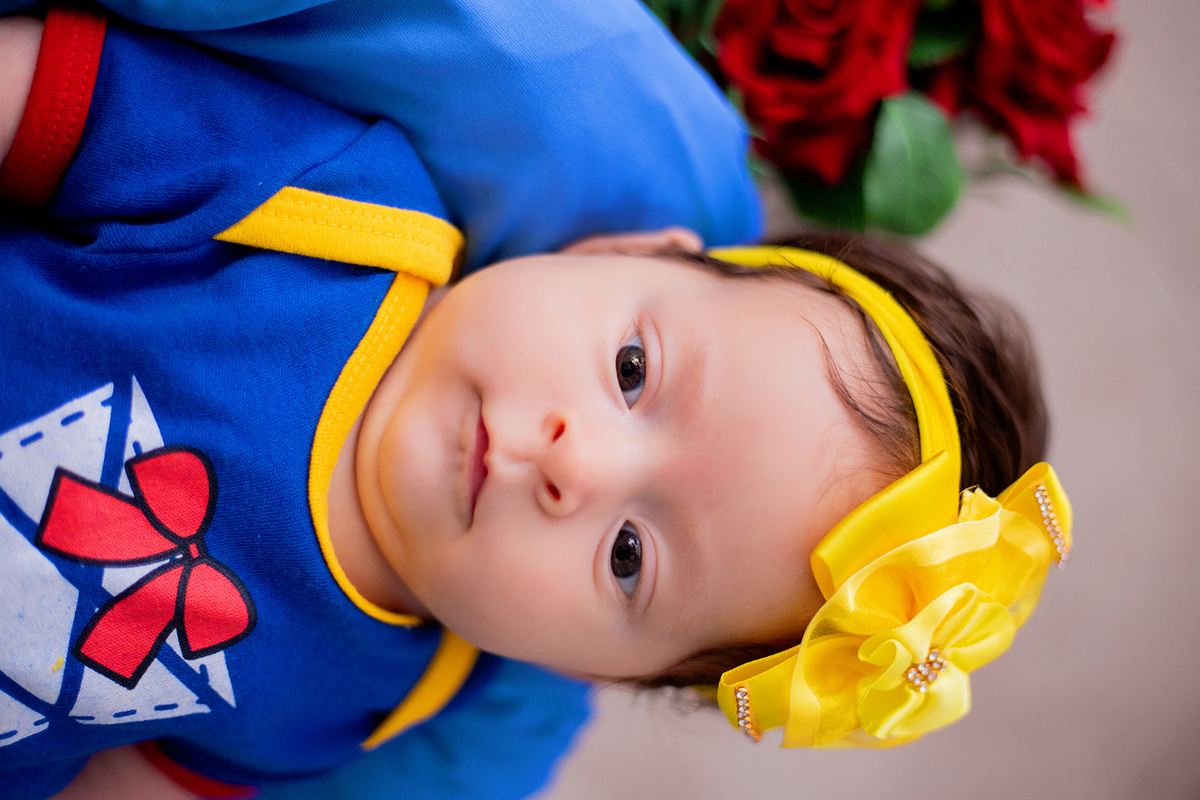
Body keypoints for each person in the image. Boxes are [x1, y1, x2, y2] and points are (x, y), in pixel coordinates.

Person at [0, 8, 1072, 800]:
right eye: (635, 372)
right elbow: (37, 100)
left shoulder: (370, 705)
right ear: (627, 250)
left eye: (627, 558)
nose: (575, 465)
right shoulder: (332, 212)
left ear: (587, 668)